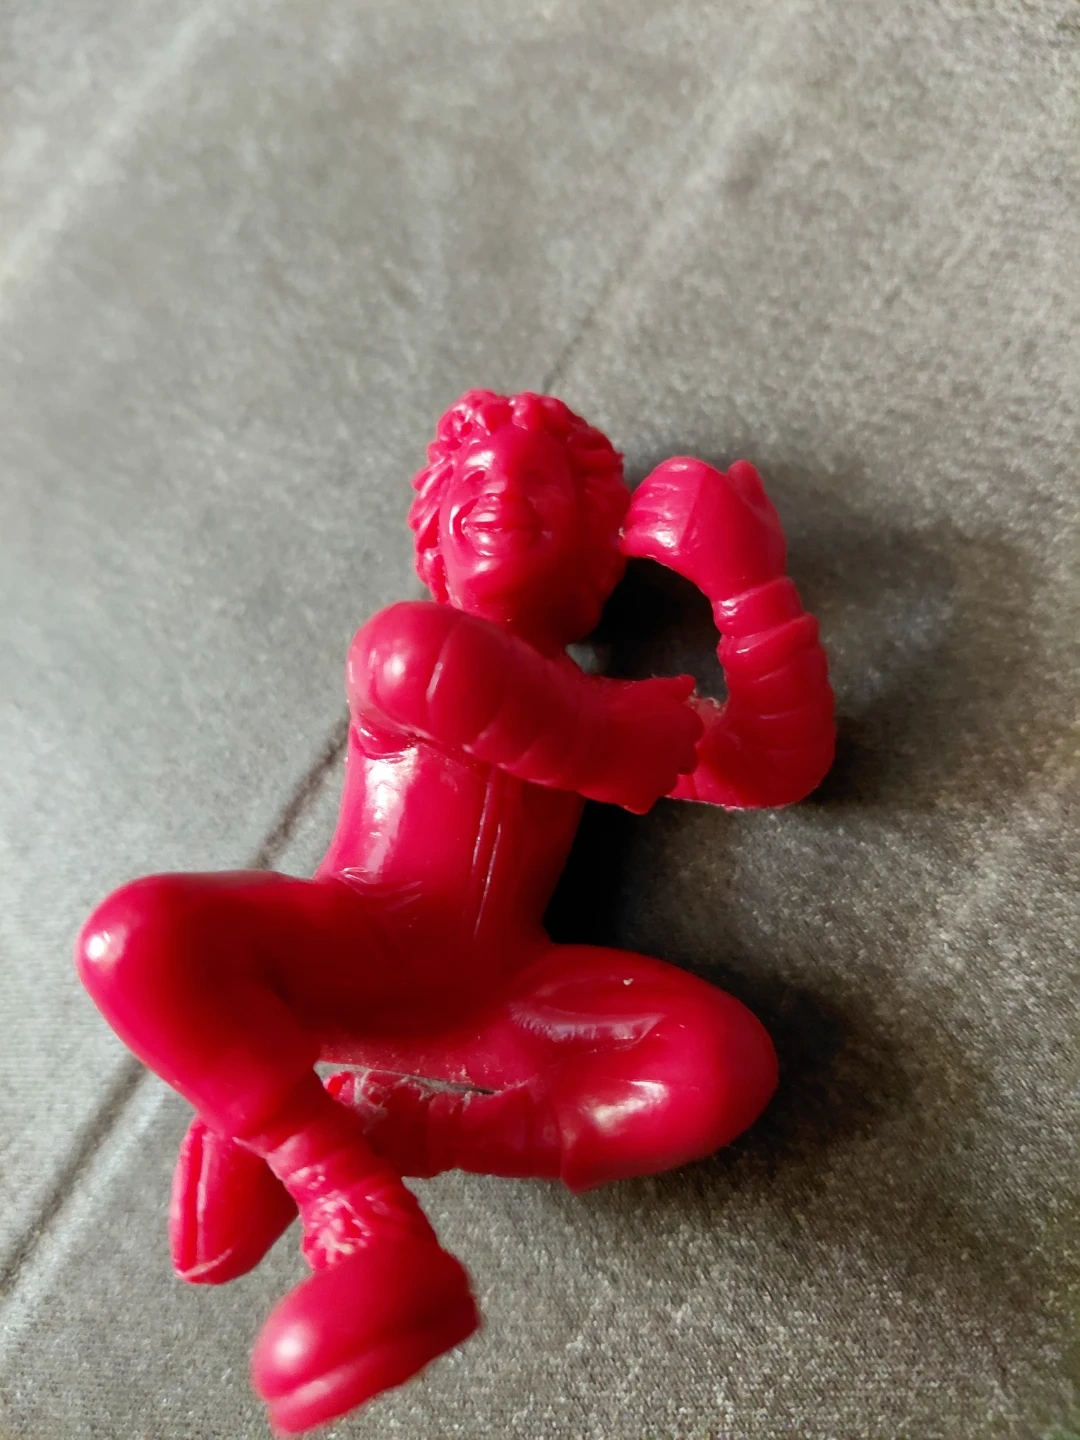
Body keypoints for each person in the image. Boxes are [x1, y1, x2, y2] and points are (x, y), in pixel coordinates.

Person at [77, 390, 834, 1434]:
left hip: (504, 996)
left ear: (597, 544)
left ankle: (388, 1126)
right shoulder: (412, 653)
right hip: (346, 948)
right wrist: (609, 738)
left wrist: (747, 589)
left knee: (720, 1064)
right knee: (134, 938)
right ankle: (344, 1198)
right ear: (433, 524)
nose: (504, 497)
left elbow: (775, 765)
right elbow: (438, 677)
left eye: (540, 488)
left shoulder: (608, 703)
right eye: (475, 480)